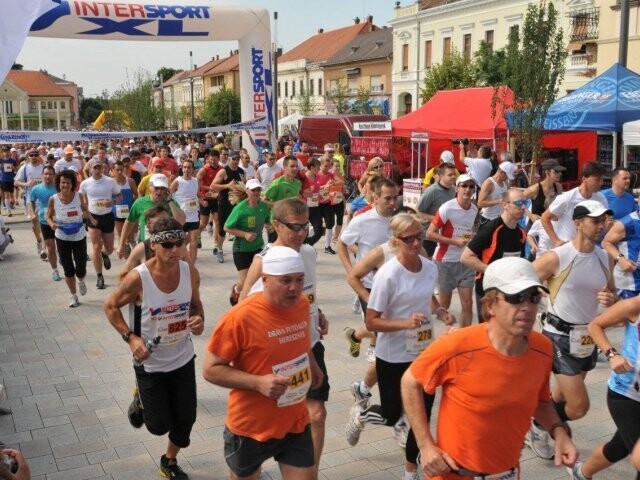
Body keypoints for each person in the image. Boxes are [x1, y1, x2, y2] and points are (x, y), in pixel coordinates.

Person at [402, 257, 578, 480]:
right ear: (490, 305)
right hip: (454, 475)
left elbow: (541, 401)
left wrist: (558, 430)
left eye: (533, 297)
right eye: (515, 298)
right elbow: (410, 381)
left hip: (508, 473)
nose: (527, 306)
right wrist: (425, 445)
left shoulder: (542, 348)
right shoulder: (458, 346)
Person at [345, 214, 455, 480]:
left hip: (423, 353)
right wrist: (405, 323)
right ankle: (361, 415)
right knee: (394, 416)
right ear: (395, 241)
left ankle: (410, 472)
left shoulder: (429, 267)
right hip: (392, 355)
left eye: (420, 236)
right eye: (409, 239)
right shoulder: (388, 274)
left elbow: (427, 296)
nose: (416, 243)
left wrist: (439, 311)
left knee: (422, 416)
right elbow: (372, 321)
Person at [203, 246, 323, 480]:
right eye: (286, 280)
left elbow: (302, 338)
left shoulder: (301, 305)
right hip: (250, 427)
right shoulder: (239, 318)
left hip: (295, 420)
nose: (295, 288)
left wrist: (313, 364)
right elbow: (210, 369)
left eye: (300, 280)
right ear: (265, 280)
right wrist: (257, 383)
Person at [104, 218, 204, 480]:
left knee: (186, 418)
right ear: (154, 245)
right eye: (168, 245)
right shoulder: (139, 278)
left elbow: (196, 306)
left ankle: (168, 461)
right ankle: (141, 399)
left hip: (182, 356)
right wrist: (131, 338)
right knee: (158, 426)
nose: (175, 250)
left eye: (178, 243)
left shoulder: (189, 272)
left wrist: (198, 319)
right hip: (150, 362)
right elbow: (110, 306)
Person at [238, 198, 330, 474]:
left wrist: (318, 312)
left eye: (305, 226)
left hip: (310, 345)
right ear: (276, 225)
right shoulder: (264, 260)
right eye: (294, 227)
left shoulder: (309, 253)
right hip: (275, 352)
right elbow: (243, 307)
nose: (301, 233)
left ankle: (308, 473)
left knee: (317, 414)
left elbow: (308, 293)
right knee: (269, 424)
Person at [530, 200, 616, 460]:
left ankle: (545, 423)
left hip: (587, 337)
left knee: (560, 395)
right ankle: (538, 424)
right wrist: (536, 300)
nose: (601, 226)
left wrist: (610, 300)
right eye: (595, 221)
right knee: (578, 406)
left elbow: (610, 291)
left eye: (603, 221)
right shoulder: (559, 256)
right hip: (557, 335)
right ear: (578, 224)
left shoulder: (603, 257)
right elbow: (524, 281)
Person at [565, 297, 640, 479]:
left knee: (619, 447)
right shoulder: (635, 305)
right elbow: (595, 326)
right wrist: (612, 355)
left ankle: (581, 473)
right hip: (627, 394)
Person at [461, 188, 528, 323]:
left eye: (525, 203)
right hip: (488, 290)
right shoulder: (491, 228)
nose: (524, 207)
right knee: (488, 332)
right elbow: (466, 257)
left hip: (509, 291)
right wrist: (494, 271)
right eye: (519, 203)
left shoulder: (521, 232)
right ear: (505, 205)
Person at [426, 174, 478, 327]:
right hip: (445, 262)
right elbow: (430, 234)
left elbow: (469, 230)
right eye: (464, 186)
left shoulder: (474, 209)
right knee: (444, 306)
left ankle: (463, 340)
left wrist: (472, 239)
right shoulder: (447, 208)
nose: (467, 189)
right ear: (457, 188)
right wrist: (454, 242)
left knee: (467, 303)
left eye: (471, 186)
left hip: (465, 261)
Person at [45, 170, 91, 308]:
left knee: (81, 268)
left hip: (79, 235)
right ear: (59, 183)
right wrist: (52, 224)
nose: (65, 185)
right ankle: (73, 296)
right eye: (63, 182)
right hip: (62, 236)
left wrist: (87, 215)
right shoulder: (53, 198)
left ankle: (81, 281)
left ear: (73, 184)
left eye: (68, 183)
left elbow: (85, 211)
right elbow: (47, 216)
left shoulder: (79, 196)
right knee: (68, 269)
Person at [224, 178, 271, 305]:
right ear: (247, 191)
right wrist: (244, 234)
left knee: (256, 280)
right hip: (241, 250)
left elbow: (267, 219)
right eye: (253, 190)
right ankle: (240, 304)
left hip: (258, 248)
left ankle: (242, 295)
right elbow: (226, 227)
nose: (256, 192)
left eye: (258, 189)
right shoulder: (240, 208)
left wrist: (269, 225)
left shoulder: (263, 206)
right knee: (247, 283)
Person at [116, 174, 186, 258]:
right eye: (156, 188)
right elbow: (129, 222)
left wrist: (169, 201)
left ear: (167, 190)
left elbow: (181, 221)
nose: (159, 192)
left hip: (166, 248)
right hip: (145, 247)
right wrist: (121, 244)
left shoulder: (171, 203)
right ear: (150, 187)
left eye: (162, 188)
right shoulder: (139, 203)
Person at [541, 161, 607, 247]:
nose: (601, 183)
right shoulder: (567, 198)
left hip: (588, 248)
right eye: (597, 179)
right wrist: (556, 241)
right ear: (584, 179)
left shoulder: (601, 198)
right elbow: (545, 218)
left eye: (602, 179)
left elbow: (605, 222)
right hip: (568, 248)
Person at [79, 159, 122, 289]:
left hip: (108, 217)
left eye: (99, 168)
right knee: (96, 247)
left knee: (108, 249)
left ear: (103, 168)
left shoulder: (110, 181)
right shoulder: (85, 183)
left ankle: (105, 254)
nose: (97, 170)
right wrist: (87, 214)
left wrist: (113, 202)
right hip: (93, 217)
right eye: (95, 168)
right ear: (90, 169)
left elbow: (119, 196)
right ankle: (99, 276)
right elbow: (81, 202)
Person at [211, 153, 246, 263]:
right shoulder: (224, 171)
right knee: (222, 229)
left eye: (237, 159)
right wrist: (227, 186)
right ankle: (220, 250)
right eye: (234, 159)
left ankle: (241, 250)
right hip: (225, 204)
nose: (236, 161)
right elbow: (213, 186)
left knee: (240, 227)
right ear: (229, 159)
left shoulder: (241, 171)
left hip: (238, 204)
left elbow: (244, 186)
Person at [417, 163, 456, 258]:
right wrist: (437, 219)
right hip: (428, 235)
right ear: (441, 176)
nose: (454, 177)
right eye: (450, 175)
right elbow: (418, 212)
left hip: (444, 234)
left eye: (454, 174)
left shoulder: (453, 190)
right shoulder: (432, 191)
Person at [29, 165, 61, 280]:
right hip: (44, 221)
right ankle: (55, 271)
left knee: (61, 246)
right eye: (46, 174)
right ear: (42, 175)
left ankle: (62, 258)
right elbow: (31, 201)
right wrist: (33, 214)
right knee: (51, 247)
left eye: (50, 174)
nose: (48, 176)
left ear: (54, 175)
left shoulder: (59, 187)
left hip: (59, 220)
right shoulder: (36, 189)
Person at [14, 148, 45, 258]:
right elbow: (16, 182)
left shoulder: (43, 168)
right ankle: (38, 240)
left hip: (43, 199)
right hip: (30, 200)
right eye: (31, 155)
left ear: (38, 155)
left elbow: (51, 180)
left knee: (42, 223)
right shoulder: (25, 168)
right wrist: (26, 184)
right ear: (28, 156)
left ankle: (43, 248)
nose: (33, 157)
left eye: (35, 155)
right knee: (34, 222)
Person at [602, 209, 640, 299]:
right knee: (628, 312)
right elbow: (606, 242)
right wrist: (621, 259)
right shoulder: (627, 223)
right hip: (629, 282)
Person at [170, 159, 200, 263]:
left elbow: (197, 196)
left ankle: (191, 265)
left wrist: (202, 201)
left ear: (192, 169)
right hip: (181, 217)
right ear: (182, 168)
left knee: (193, 242)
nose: (186, 169)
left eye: (189, 167)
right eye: (185, 167)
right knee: (180, 242)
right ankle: (178, 262)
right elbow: (168, 195)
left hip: (193, 216)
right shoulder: (178, 181)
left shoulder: (196, 181)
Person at [523, 158, 565, 224]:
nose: (560, 174)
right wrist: (530, 215)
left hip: (553, 224)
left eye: (560, 171)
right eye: (556, 171)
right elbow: (517, 201)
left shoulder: (559, 187)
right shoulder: (535, 189)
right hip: (537, 225)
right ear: (547, 172)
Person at [111, 160, 138, 258]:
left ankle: (132, 253)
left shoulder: (130, 181)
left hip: (129, 212)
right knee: (121, 235)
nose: (119, 172)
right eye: (117, 170)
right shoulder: (110, 182)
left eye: (121, 170)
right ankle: (126, 254)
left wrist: (134, 206)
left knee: (130, 236)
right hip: (116, 213)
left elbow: (136, 194)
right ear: (112, 170)